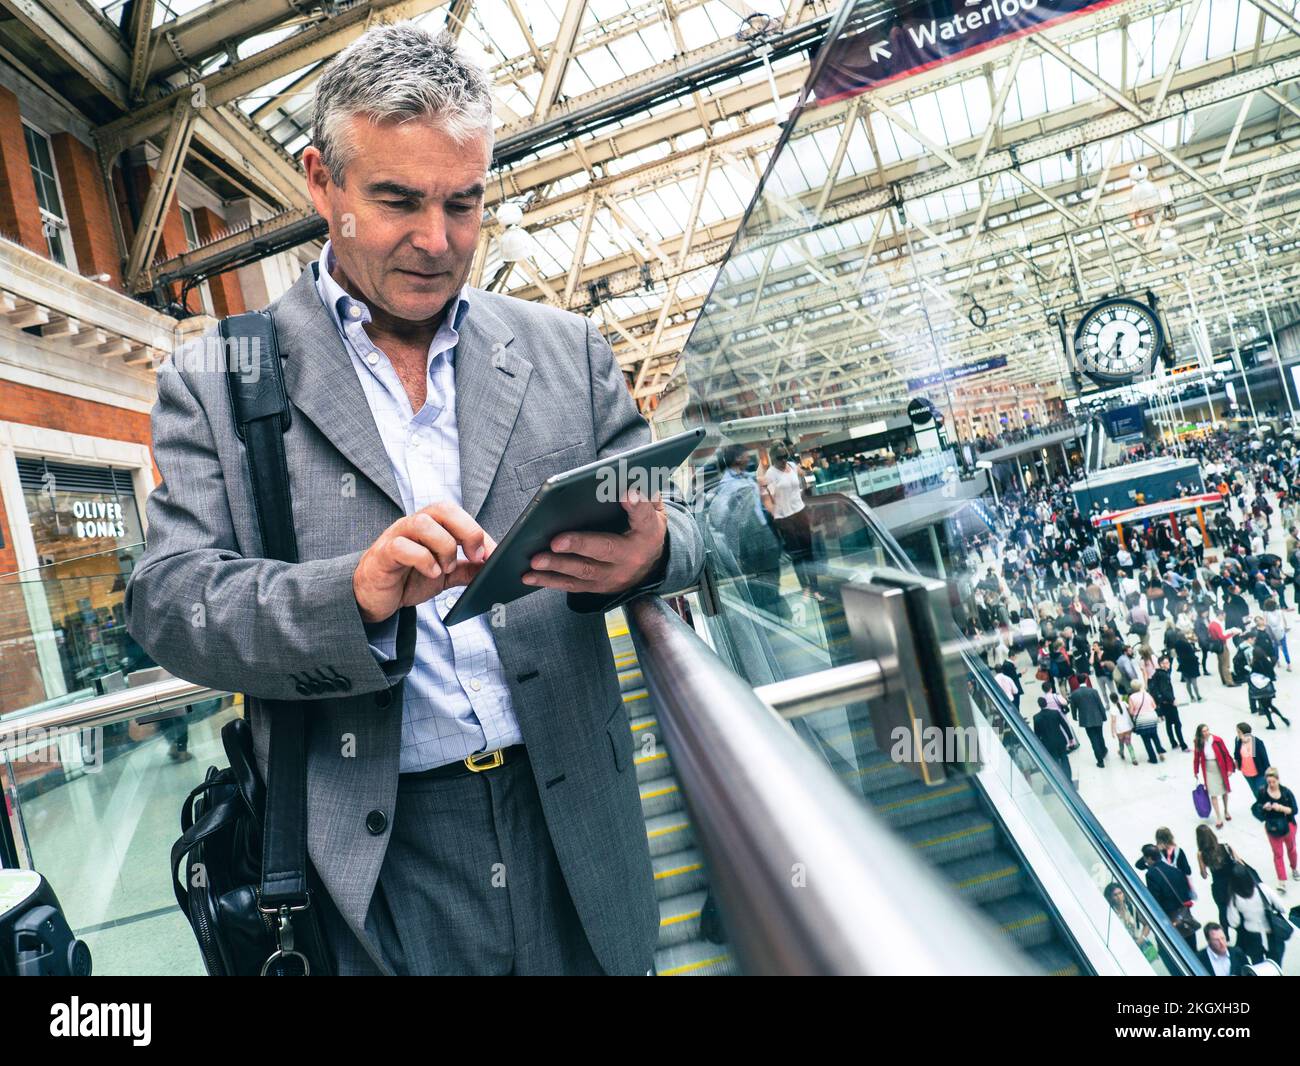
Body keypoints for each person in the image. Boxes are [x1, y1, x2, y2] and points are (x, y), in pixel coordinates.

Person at [124, 25, 705, 977]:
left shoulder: (568, 352)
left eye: (463, 203)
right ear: (320, 183)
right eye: (396, 200)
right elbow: (170, 601)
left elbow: (682, 518)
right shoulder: (218, 380)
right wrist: (348, 596)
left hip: (577, 833)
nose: (437, 242)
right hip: (371, 865)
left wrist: (653, 552)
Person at [760, 443, 821, 600]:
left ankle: (815, 588)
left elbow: (803, 480)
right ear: (773, 458)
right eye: (779, 458)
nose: (783, 460)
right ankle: (805, 588)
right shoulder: (771, 474)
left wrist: (805, 483)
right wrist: (775, 514)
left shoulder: (793, 466)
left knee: (809, 552)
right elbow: (767, 498)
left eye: (785, 456)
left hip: (800, 512)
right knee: (797, 555)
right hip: (785, 518)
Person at [1226, 863, 1286, 965]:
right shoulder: (1262, 888)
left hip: (1252, 936)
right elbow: (1281, 907)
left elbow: (1233, 922)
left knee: (1258, 966)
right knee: (1275, 965)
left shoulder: (1234, 898)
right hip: (1271, 932)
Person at [1142, 843, 1198, 952]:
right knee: (1192, 951)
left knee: (1175, 952)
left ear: (1148, 858)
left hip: (1169, 919)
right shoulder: (1174, 869)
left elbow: (1155, 900)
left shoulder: (1151, 874)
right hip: (1185, 916)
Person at [1251, 767, 1299, 893]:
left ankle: (1294, 868)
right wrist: (1263, 808)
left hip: (1288, 825)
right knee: (1278, 854)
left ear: (1278, 780)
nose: (1271, 785)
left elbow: (1294, 810)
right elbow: (1257, 808)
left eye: (1273, 782)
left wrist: (1281, 808)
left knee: (1292, 849)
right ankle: (1281, 881)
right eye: (1269, 782)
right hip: (1272, 826)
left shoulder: (1286, 793)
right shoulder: (1263, 792)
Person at [1196, 825, 1243, 931]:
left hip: (1219, 887)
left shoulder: (1201, 854)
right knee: (1238, 907)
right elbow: (1240, 862)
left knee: (1222, 911)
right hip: (1233, 883)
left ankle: (1225, 935)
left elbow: (1204, 875)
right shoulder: (1225, 847)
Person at [1193, 724, 1236, 829]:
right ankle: (1218, 817)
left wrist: (1230, 768)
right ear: (1200, 733)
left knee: (1224, 790)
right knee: (1213, 793)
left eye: (1207, 730)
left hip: (1220, 766)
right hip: (1208, 768)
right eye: (1204, 731)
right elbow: (1196, 757)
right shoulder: (1198, 742)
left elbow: (1226, 754)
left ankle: (1226, 810)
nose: (1206, 732)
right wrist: (1196, 771)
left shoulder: (1217, 740)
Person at [1104, 881, 1157, 963]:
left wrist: (1141, 939)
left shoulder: (1131, 907)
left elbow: (1147, 925)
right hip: (1127, 952)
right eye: (1115, 895)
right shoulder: (1111, 914)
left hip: (1142, 946)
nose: (1119, 897)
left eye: (1120, 893)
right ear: (1110, 898)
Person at [1148, 655, 1187, 751]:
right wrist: (1173, 699)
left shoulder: (1156, 674)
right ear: (1161, 664)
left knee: (1169, 724)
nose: (1168, 664)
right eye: (1166, 663)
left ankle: (1173, 742)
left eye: (1168, 662)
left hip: (1162, 703)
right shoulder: (1163, 675)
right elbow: (1165, 690)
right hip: (1169, 703)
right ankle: (1183, 745)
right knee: (1177, 724)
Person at [1068, 680, 1109, 768]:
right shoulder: (1093, 691)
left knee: (1093, 740)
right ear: (1086, 681)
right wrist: (1104, 716)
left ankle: (1100, 761)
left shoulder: (1074, 694)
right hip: (1097, 717)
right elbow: (1100, 704)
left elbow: (1073, 707)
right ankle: (1103, 751)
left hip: (1086, 720)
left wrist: (1074, 716)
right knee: (1100, 736)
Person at [1033, 695, 1074, 781]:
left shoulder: (1036, 718)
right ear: (1046, 703)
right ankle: (1068, 778)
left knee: (1054, 761)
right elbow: (1065, 725)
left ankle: (1060, 780)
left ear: (1039, 705)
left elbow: (1037, 733)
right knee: (1064, 759)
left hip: (1048, 744)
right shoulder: (1055, 713)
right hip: (1060, 740)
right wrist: (1070, 737)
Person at [1130, 685, 1167, 765]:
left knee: (1146, 740)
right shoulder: (1146, 694)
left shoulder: (1132, 697)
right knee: (1155, 736)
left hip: (1141, 721)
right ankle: (1160, 753)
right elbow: (1154, 706)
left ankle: (1153, 758)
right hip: (1151, 717)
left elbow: (1131, 711)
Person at [1234, 723, 1271, 800]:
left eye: (1238, 732)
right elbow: (1236, 753)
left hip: (1259, 773)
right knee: (1255, 792)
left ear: (1245, 732)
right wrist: (1236, 761)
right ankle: (1261, 807)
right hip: (1246, 773)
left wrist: (1269, 772)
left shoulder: (1256, 742)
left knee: (1261, 792)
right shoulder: (1238, 740)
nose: (1237, 733)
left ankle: (1267, 807)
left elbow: (1265, 758)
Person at [1109, 691, 1139, 766]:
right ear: (1118, 698)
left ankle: (1121, 753)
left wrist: (1112, 731)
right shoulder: (1124, 703)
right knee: (1128, 743)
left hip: (1120, 730)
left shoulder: (1112, 709)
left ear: (1111, 700)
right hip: (1128, 727)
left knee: (1121, 742)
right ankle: (1133, 758)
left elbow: (1113, 721)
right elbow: (1131, 710)